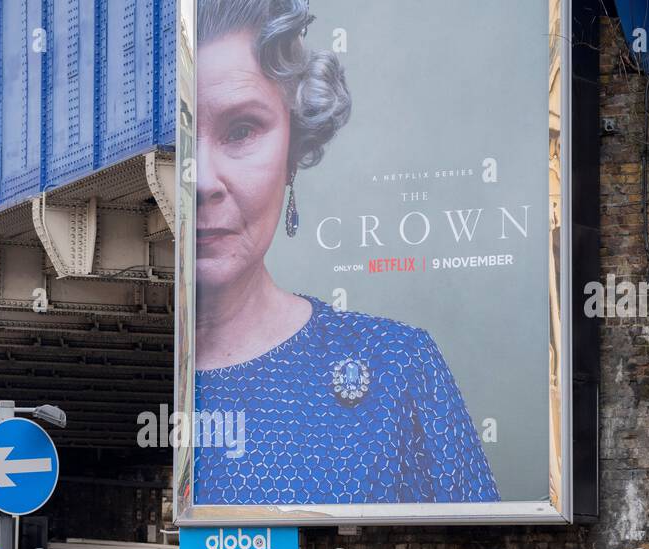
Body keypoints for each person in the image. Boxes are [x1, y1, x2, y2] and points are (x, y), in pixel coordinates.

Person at [192, 0, 498, 505]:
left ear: (293, 151)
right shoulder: (112, 381)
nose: (201, 180)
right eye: (179, 137)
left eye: (241, 130)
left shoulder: (398, 369)